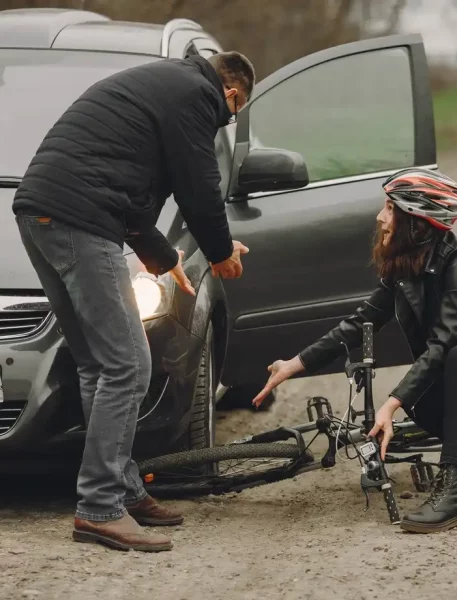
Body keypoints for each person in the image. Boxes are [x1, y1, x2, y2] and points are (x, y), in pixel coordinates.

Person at [12, 51, 255, 552]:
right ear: (231, 94)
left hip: (42, 212)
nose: (224, 121)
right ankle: (99, 507)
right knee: (127, 365)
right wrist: (220, 251)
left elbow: (133, 198)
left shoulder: (166, 87)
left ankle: (120, 489)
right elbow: (199, 186)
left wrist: (164, 261)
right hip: (79, 220)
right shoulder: (198, 96)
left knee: (99, 365)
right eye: (232, 115)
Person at [252, 167, 457, 534]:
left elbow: (443, 343)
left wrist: (390, 403)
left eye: (389, 208)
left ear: (416, 222)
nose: (380, 217)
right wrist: (296, 364)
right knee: (422, 392)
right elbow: (360, 322)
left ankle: (453, 493)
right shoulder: (407, 266)